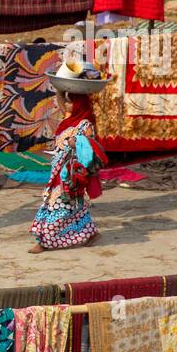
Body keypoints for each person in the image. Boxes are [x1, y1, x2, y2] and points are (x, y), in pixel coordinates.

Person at [29, 90, 107, 253]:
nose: (67, 105)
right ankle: (90, 233)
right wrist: (60, 89)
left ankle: (45, 241)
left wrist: (76, 142)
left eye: (71, 102)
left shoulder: (85, 124)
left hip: (70, 171)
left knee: (58, 203)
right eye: (67, 102)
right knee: (73, 205)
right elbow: (61, 101)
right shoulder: (68, 119)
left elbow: (90, 148)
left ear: (79, 104)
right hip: (58, 170)